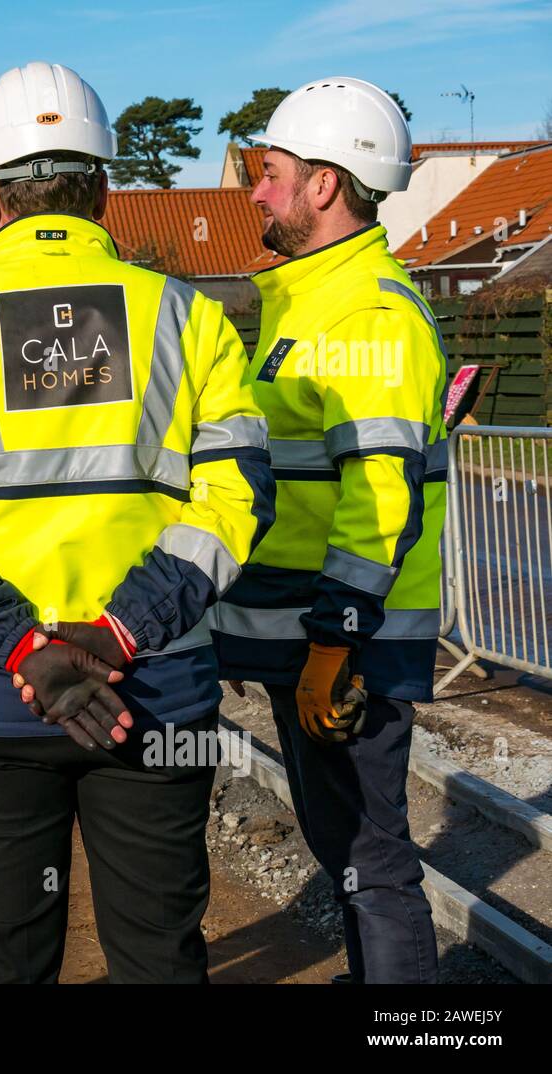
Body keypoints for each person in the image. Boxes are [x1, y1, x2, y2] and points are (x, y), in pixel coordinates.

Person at [0, 63, 274, 983]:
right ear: (106, 189)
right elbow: (238, 499)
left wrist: (21, 651)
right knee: (160, 953)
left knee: (5, 958)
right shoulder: (191, 318)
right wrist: (121, 632)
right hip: (157, 697)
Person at [212, 76, 447, 983]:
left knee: (372, 860)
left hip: (347, 640)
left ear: (323, 184)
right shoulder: (309, 302)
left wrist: (336, 639)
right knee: (345, 850)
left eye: (270, 172)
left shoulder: (368, 313)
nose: (257, 192)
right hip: (311, 634)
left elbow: (380, 498)